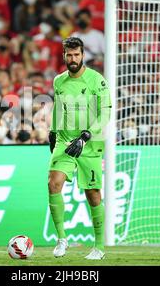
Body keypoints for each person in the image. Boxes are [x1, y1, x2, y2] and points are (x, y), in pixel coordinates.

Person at [48, 37, 111, 260]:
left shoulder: (97, 80)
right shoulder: (59, 81)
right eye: (69, 55)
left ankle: (99, 246)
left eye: (76, 55)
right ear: (64, 55)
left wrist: (86, 135)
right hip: (65, 141)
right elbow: (58, 108)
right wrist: (53, 132)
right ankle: (62, 239)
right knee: (53, 183)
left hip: (89, 144)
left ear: (82, 55)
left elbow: (105, 113)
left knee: (93, 194)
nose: (73, 59)